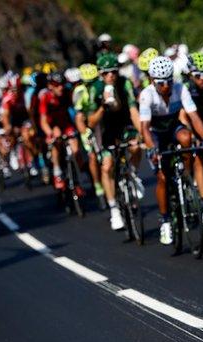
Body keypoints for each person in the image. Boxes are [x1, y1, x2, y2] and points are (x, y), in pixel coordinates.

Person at [139, 56, 203, 245]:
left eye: (169, 81)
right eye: (162, 82)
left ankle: (186, 174)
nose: (166, 86)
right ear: (153, 81)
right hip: (156, 134)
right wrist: (152, 149)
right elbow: (145, 129)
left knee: (187, 138)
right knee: (162, 178)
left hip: (173, 128)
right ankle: (165, 221)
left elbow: (194, 117)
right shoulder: (147, 95)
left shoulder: (180, 89)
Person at [88, 53, 143, 231]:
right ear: (100, 75)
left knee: (135, 146)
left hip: (124, 124)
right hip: (106, 129)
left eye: (113, 72)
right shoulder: (95, 88)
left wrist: (143, 133)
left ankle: (132, 174)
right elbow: (91, 122)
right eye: (106, 73)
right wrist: (103, 106)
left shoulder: (124, 83)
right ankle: (114, 209)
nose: (110, 76)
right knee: (107, 165)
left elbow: (133, 110)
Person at [39, 72, 82, 192]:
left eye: (62, 84)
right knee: (56, 143)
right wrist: (50, 133)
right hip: (53, 127)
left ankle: (76, 180)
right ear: (50, 86)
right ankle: (57, 173)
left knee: (75, 150)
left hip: (66, 125)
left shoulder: (66, 93)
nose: (60, 87)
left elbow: (75, 111)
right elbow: (43, 121)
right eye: (57, 85)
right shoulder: (45, 97)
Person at [73, 63, 107, 209]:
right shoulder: (79, 92)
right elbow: (79, 117)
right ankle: (98, 185)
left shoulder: (102, 86)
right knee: (92, 156)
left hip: (104, 123)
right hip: (89, 125)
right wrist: (84, 132)